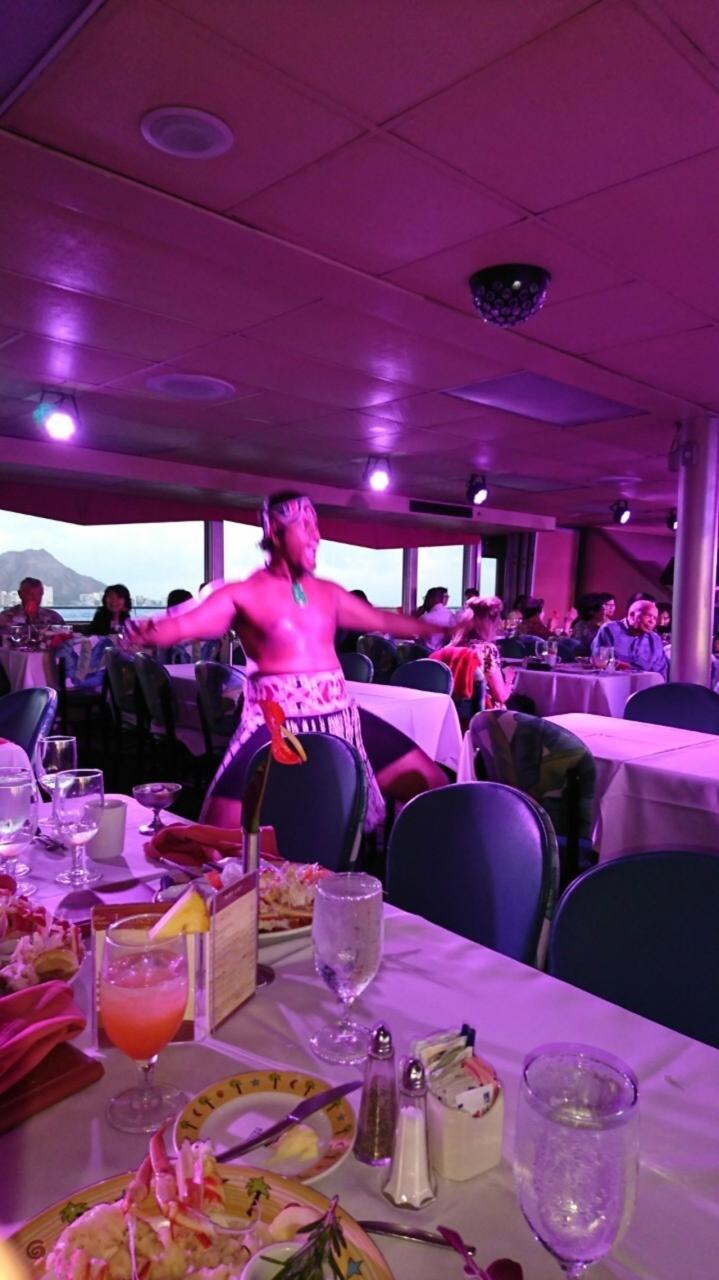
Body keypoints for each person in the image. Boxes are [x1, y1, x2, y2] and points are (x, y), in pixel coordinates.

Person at [128, 491, 449, 827]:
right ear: (274, 530)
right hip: (274, 724)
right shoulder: (242, 593)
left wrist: (443, 627)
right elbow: (186, 624)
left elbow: (382, 620)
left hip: (342, 719)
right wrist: (152, 631)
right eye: (305, 525)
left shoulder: (328, 592)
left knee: (433, 784)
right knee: (217, 834)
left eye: (316, 525)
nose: (316, 536)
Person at [432, 595, 515, 711]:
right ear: (491, 623)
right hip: (485, 713)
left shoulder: (451, 647)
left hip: (452, 710)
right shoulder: (487, 650)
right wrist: (509, 678)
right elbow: (501, 697)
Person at [592, 598, 669, 678]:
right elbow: (600, 661)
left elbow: (661, 673)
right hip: (614, 682)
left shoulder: (655, 639)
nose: (652, 621)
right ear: (632, 615)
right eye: (648, 616)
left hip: (647, 684)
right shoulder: (610, 630)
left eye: (654, 618)